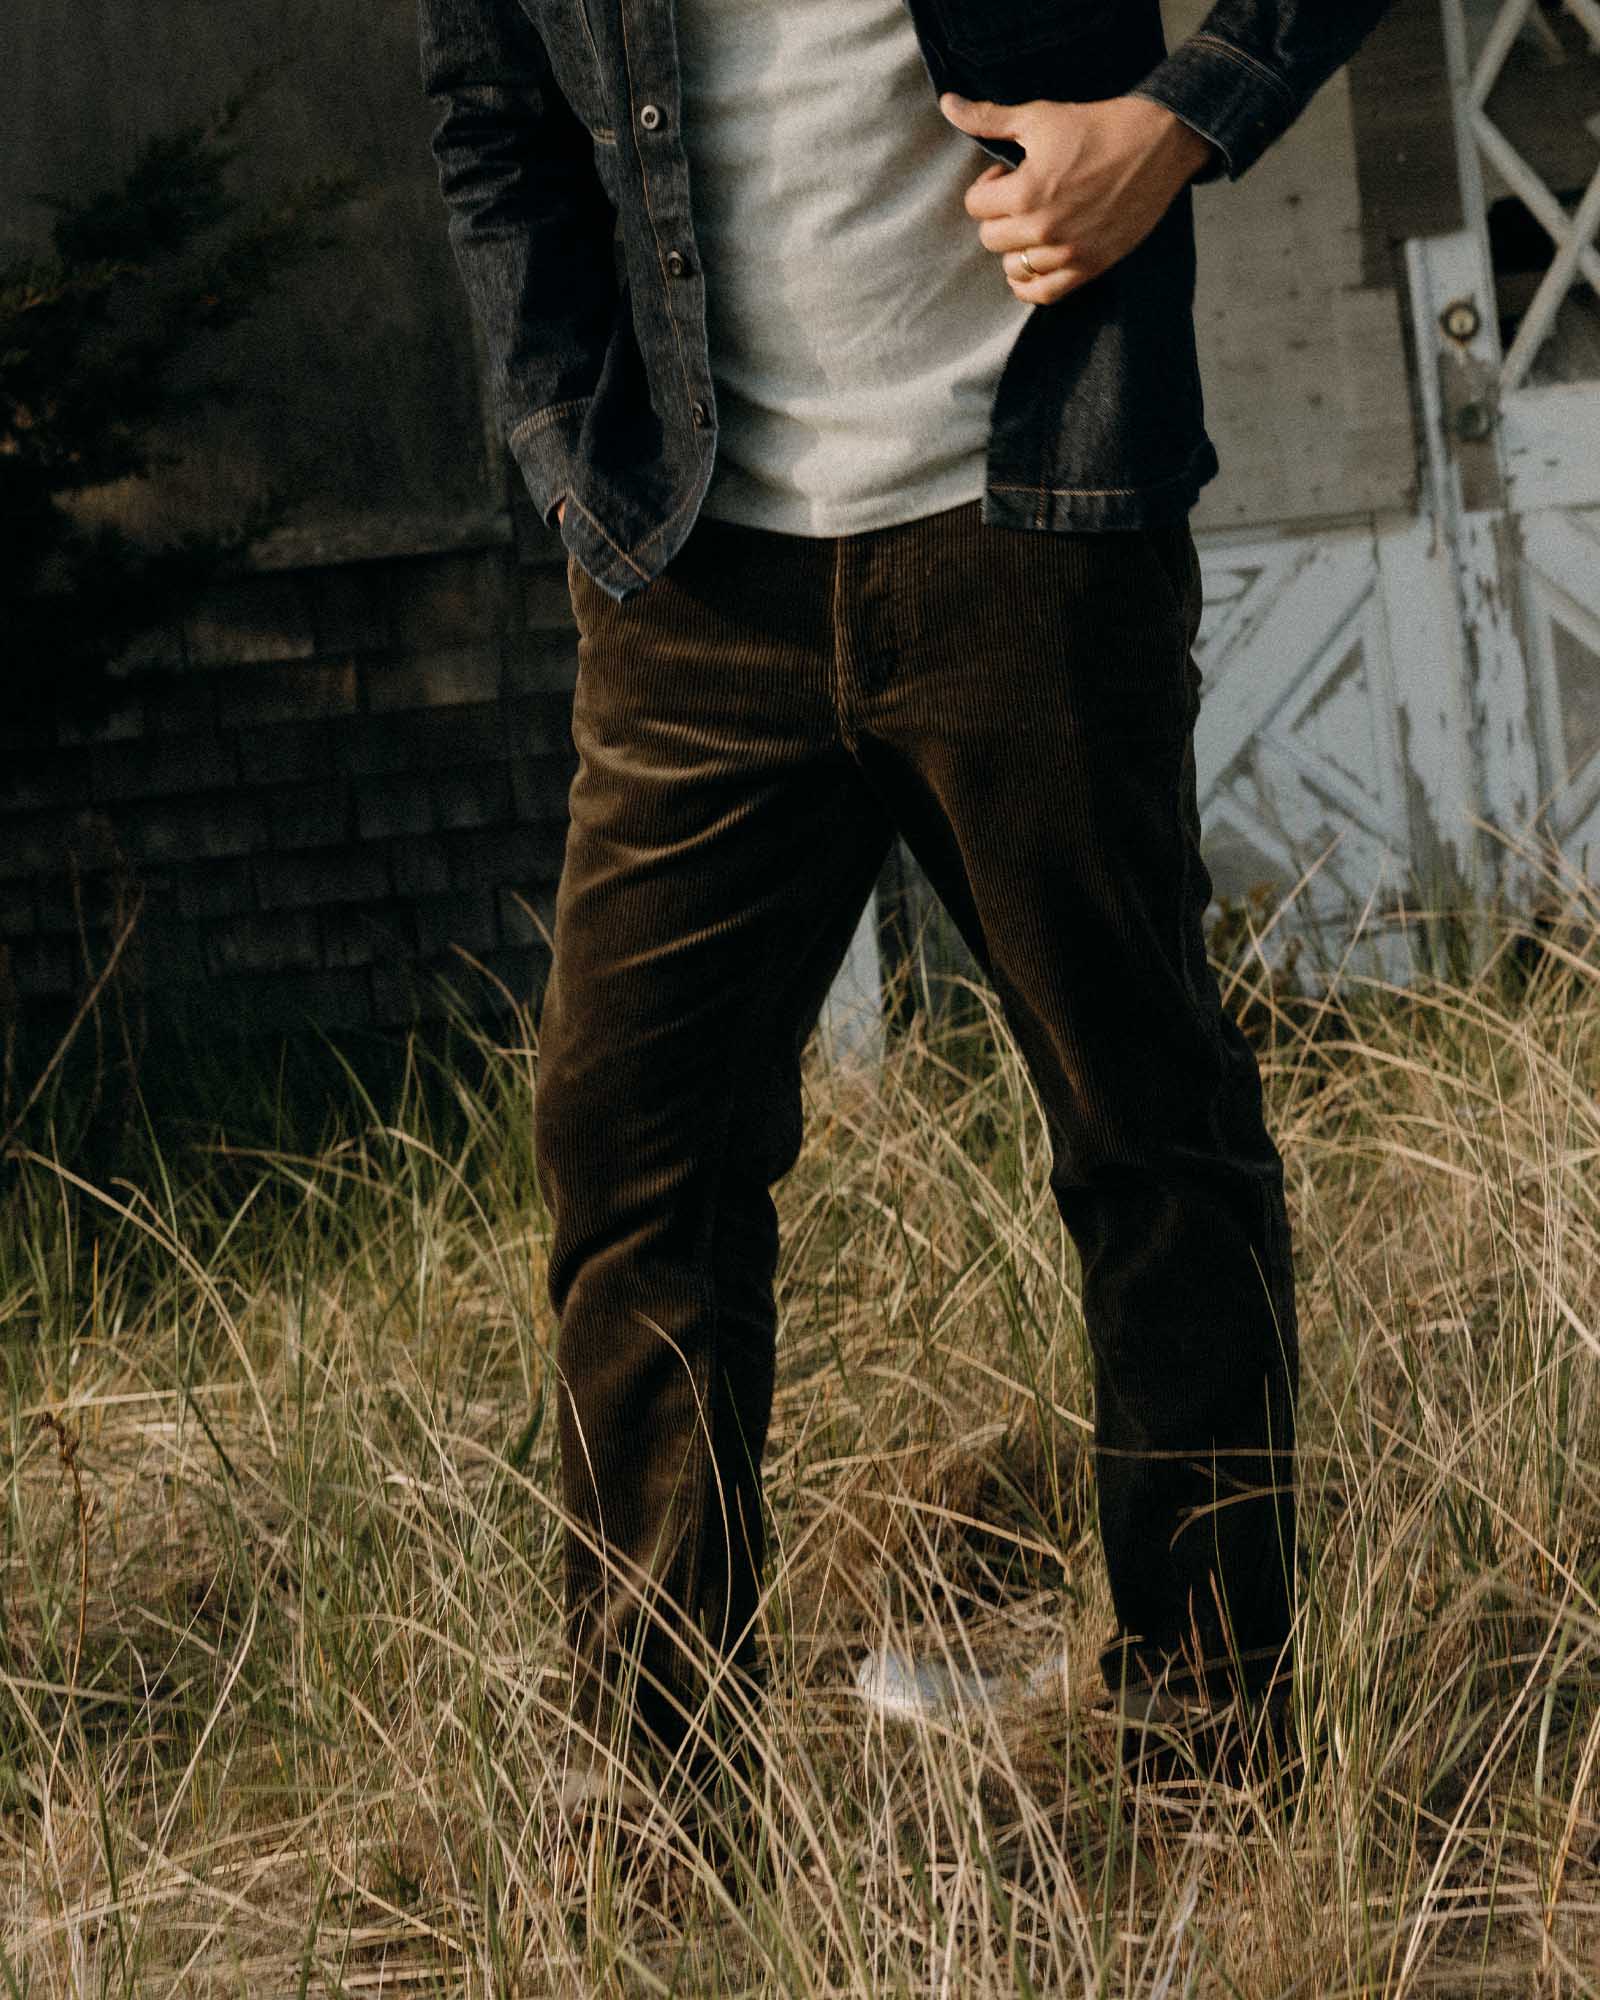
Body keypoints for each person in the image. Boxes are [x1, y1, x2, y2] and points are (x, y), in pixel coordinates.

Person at [418, 0, 1396, 1796]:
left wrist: (1174, 127)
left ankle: (1213, 1766)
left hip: (1029, 517)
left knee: (1148, 1134)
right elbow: (494, 119)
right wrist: (568, 454)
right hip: (691, 575)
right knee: (632, 1163)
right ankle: (655, 1824)